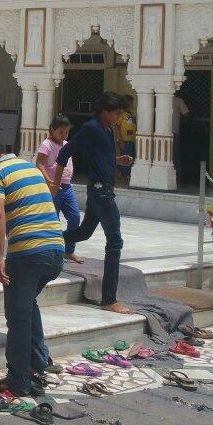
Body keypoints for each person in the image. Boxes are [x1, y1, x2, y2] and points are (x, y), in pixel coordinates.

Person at [0, 132, 64, 398]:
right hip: (55, 252)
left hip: (28, 254)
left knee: (17, 317)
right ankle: (37, 365)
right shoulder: (29, 167)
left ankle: (17, 382)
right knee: (26, 305)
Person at [53, 92, 133, 314]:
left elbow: (100, 155)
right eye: (116, 113)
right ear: (105, 111)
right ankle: (109, 299)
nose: (118, 117)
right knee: (115, 243)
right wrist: (55, 185)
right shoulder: (92, 128)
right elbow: (65, 153)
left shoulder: (107, 130)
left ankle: (47, 238)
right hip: (101, 193)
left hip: (102, 191)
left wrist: (118, 160)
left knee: (83, 233)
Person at [35, 115, 82, 263]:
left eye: (66, 132)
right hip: (53, 188)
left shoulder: (66, 144)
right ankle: (50, 251)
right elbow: (40, 164)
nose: (64, 136)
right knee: (52, 220)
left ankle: (69, 251)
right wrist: (50, 182)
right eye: (61, 132)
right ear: (52, 130)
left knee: (74, 217)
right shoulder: (46, 145)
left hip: (67, 188)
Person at [116, 95, 136, 182]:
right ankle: (123, 174)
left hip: (131, 139)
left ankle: (126, 174)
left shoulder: (131, 113)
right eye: (130, 102)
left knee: (131, 157)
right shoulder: (121, 114)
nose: (131, 104)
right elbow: (117, 126)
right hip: (124, 139)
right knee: (125, 156)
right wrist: (120, 140)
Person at [172, 93, 189, 183]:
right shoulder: (178, 100)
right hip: (174, 131)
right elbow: (186, 113)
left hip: (165, 132)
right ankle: (177, 177)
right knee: (174, 155)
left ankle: (176, 177)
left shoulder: (157, 99)